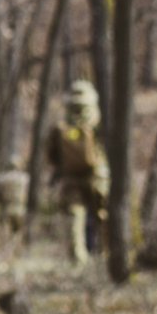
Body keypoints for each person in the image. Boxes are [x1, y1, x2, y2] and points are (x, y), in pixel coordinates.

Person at [45, 80, 109, 264]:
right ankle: (105, 256)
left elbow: (51, 154)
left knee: (75, 218)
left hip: (71, 178)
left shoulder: (62, 125)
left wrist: (62, 168)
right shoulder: (97, 119)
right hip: (98, 175)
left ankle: (78, 259)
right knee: (102, 215)